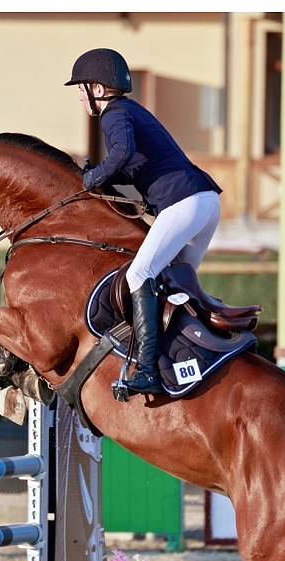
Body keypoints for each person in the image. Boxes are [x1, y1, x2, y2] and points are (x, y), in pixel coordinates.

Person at [65, 48, 222, 395]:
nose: (79, 96)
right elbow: (132, 163)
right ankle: (189, 359)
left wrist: (92, 178)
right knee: (175, 285)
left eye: (81, 88)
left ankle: (148, 370)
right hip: (206, 203)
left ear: (98, 89)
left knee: (139, 274)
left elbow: (120, 154)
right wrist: (103, 176)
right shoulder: (132, 111)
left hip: (186, 204)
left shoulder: (113, 114)